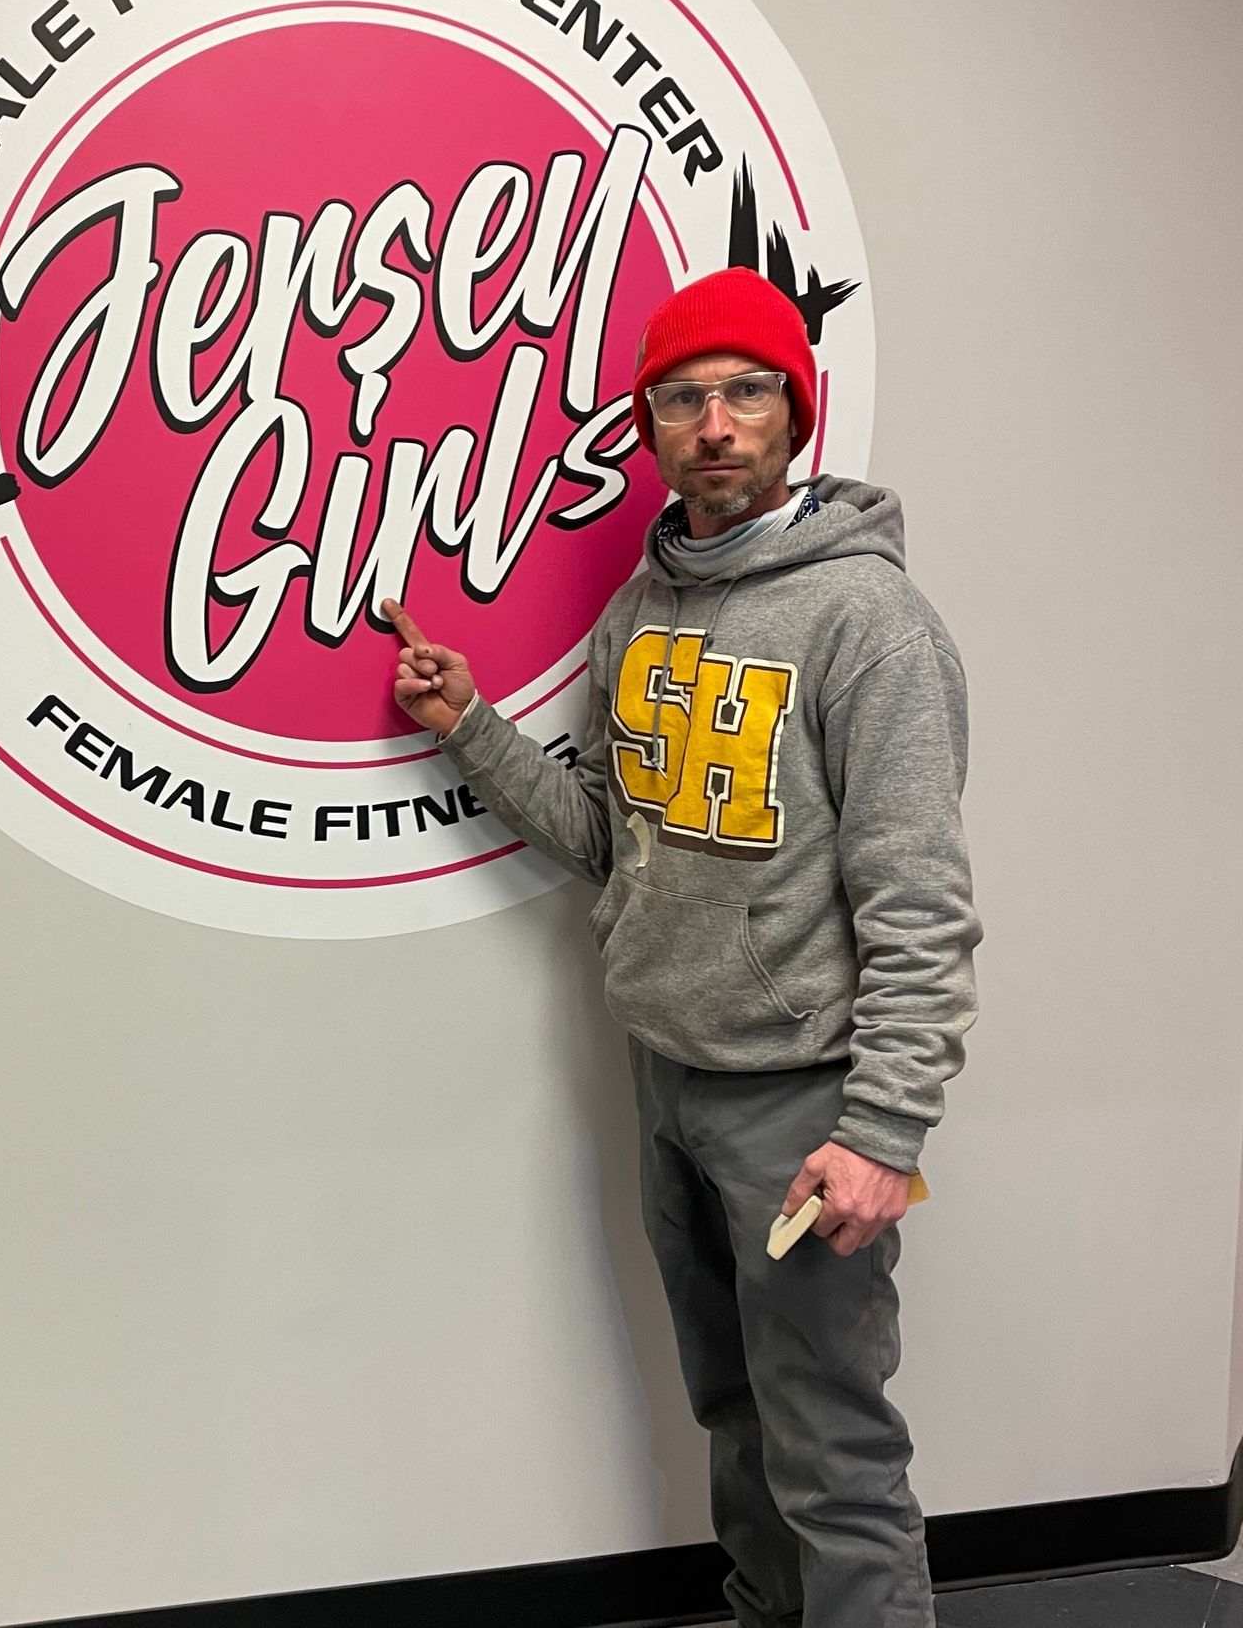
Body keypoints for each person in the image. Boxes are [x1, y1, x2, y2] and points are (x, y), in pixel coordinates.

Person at [385, 266, 979, 1628]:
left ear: (795, 414)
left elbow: (920, 900)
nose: (717, 423)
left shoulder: (867, 625)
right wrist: (471, 725)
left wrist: (885, 1130)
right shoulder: (639, 616)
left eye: (747, 392)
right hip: (670, 1079)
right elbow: (609, 834)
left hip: (803, 1102)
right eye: (684, 397)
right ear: (650, 426)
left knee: (832, 1452)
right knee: (735, 1420)